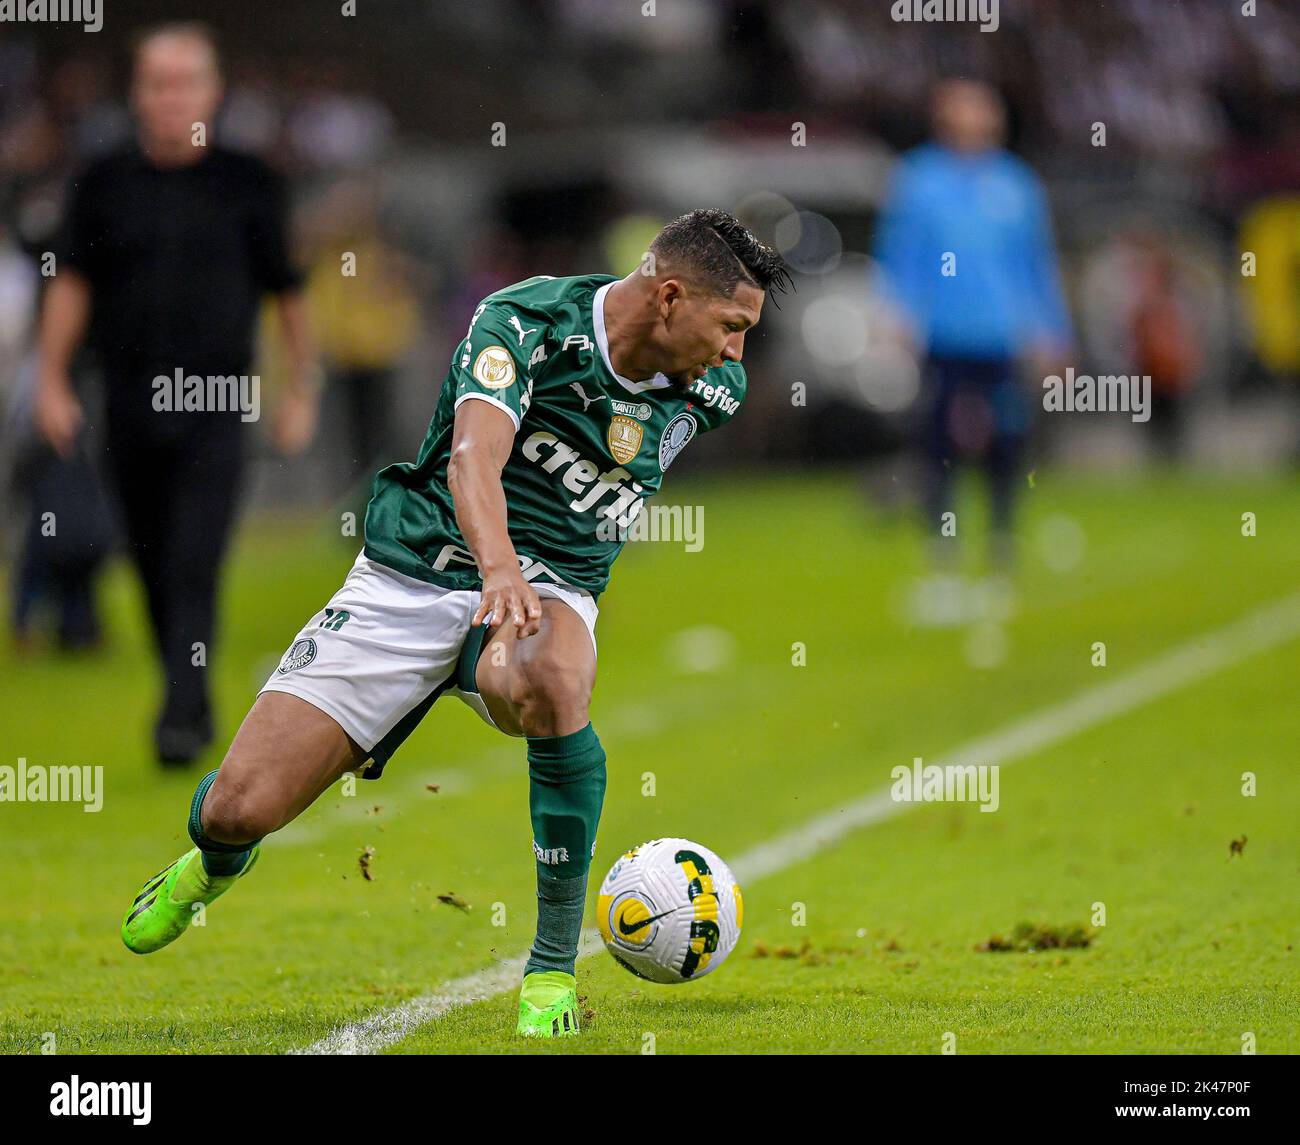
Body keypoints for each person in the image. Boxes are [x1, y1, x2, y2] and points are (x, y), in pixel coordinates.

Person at [119, 209, 790, 1039]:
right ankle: (213, 863)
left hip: (549, 588)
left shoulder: (712, 391)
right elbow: (476, 455)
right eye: (730, 327)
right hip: (416, 570)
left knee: (553, 678)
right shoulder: (524, 321)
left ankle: (549, 970)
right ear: (670, 297)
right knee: (235, 806)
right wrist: (498, 567)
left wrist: (534, 578)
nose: (736, 353)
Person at [33, 23, 319, 764]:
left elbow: (289, 293)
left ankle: (182, 715)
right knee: (149, 557)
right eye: (159, 82)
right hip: (126, 399)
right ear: (139, 93)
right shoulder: (102, 181)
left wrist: (299, 390)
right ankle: (183, 685)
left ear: (213, 91)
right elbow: (72, 282)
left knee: (195, 553)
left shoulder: (250, 181)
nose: (172, 96)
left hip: (218, 399)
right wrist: (52, 379)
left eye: (187, 80)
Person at [874, 79, 1072, 614]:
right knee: (936, 446)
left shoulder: (1016, 183)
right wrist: (895, 310)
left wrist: (1052, 329)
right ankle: (943, 560)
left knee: (1007, 447)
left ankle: (1001, 555)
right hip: (942, 335)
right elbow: (900, 254)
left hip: (1002, 335)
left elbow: (1035, 262)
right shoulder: (919, 179)